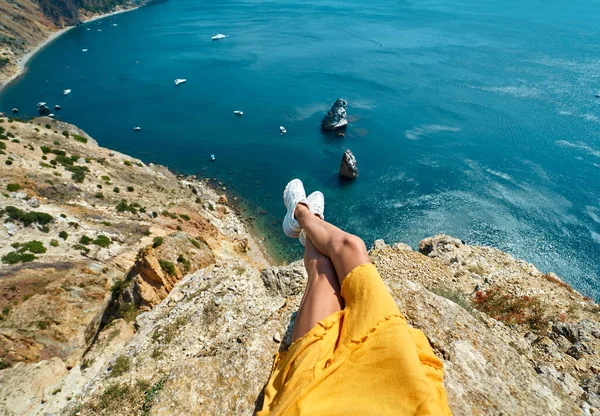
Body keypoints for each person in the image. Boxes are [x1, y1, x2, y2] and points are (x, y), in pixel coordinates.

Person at [257, 179, 452, 415]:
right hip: (397, 368)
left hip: (317, 396)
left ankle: (301, 215)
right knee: (352, 245)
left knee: (323, 270)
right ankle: (309, 219)